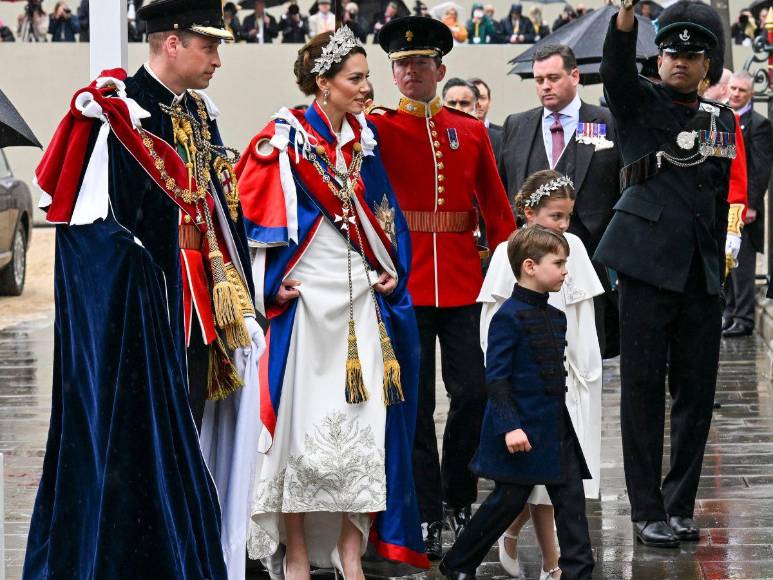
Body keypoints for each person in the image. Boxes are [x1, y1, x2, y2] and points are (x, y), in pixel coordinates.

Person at [22, 1, 264, 578]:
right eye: (209, 47)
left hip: (204, 299)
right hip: (149, 305)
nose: (218, 61)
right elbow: (89, 239)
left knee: (194, 430)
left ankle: (187, 543)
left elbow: (221, 213)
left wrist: (242, 301)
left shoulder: (200, 114)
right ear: (172, 43)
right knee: (145, 436)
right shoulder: (117, 112)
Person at [236, 27, 428, 580]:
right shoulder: (281, 141)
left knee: (367, 430)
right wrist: (268, 287)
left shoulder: (367, 143)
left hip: (362, 305)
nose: (368, 87)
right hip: (304, 309)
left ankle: (351, 547)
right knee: (299, 433)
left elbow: (389, 217)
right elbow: (250, 226)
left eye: (367, 77)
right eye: (356, 78)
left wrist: (395, 272)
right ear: (323, 83)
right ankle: (296, 553)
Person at [596, 0, 748, 547]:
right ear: (657, 59)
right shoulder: (639, 101)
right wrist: (623, 18)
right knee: (641, 390)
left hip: (699, 271)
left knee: (695, 395)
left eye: (691, 55)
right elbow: (614, 72)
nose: (679, 62)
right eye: (670, 53)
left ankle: (680, 504)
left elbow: (717, 196)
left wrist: (721, 261)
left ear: (708, 66)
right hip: (645, 266)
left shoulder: (720, 119)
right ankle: (646, 510)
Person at [369, 16, 516, 560]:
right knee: (413, 406)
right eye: (402, 64)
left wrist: (513, 271)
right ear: (393, 71)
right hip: (402, 283)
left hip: (461, 282)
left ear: (440, 69)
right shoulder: (376, 128)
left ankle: (458, 497)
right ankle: (427, 512)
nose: (411, 71)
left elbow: (497, 210)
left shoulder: (470, 129)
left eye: (420, 63)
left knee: (473, 394)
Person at [439, 225, 595, 580]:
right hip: (521, 431)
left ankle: (578, 571)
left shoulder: (556, 317)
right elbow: (496, 379)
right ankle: (459, 562)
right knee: (506, 501)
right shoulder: (506, 317)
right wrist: (510, 426)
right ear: (530, 266)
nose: (565, 270)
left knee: (571, 501)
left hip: (555, 429)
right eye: (558, 263)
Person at [479, 170, 604, 580]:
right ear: (529, 213)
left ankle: (533, 544)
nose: (564, 226)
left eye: (568, 217)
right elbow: (493, 320)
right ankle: (552, 560)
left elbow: (584, 311)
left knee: (563, 478)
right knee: (534, 473)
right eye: (555, 217)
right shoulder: (507, 252)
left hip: (570, 375)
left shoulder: (577, 249)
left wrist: (587, 369)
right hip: (530, 378)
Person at [498, 44, 622, 360]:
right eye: (539, 80)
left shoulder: (608, 122)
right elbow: (503, 188)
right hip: (529, 265)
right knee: (530, 357)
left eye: (553, 77)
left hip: (591, 259)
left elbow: (624, 186)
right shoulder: (517, 124)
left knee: (587, 353)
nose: (545, 86)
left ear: (575, 75)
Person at [724, 71, 773, 337]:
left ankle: (744, 318)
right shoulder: (723, 118)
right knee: (728, 263)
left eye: (741, 90)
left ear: (751, 94)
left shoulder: (759, 124)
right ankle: (730, 312)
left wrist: (751, 204)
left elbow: (761, 168)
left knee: (742, 266)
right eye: (732, 88)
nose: (735, 94)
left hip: (746, 208)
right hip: (726, 204)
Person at [469, 77, 503, 157]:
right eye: (473, 98)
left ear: (489, 101)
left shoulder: (503, 134)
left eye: (482, 98)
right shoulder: (456, 134)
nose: (478, 103)